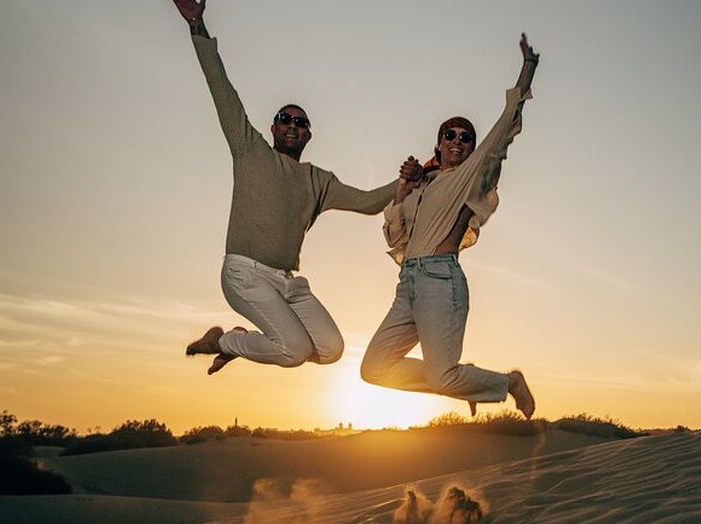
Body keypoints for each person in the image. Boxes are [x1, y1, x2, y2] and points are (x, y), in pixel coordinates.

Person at [172, 0, 403, 375]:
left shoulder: (318, 181)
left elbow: (369, 202)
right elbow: (222, 90)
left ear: (309, 134)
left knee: (331, 349)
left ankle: (237, 341)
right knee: (294, 351)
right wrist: (197, 25)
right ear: (274, 128)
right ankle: (225, 342)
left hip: (288, 283)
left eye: (300, 121)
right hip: (245, 273)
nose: (292, 124)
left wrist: (413, 177)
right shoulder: (251, 150)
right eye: (285, 119)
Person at [360, 33, 540, 418]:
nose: (458, 140)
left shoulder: (469, 177)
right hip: (407, 283)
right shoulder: (420, 186)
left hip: (442, 279)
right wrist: (404, 189)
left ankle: (505, 383)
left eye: (466, 138)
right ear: (438, 143)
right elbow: (396, 239)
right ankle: (462, 380)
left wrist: (528, 68)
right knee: (373, 369)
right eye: (450, 134)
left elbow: (504, 129)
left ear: (472, 149)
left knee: (443, 377)